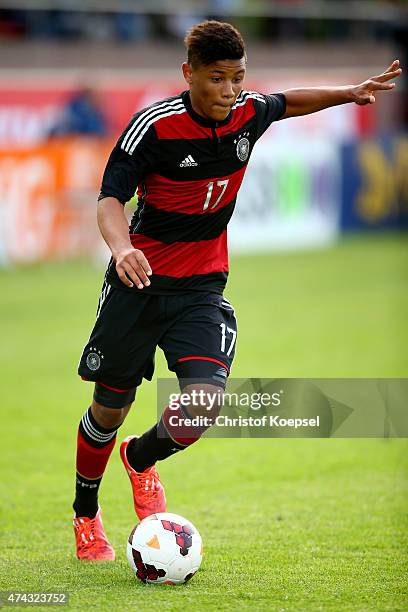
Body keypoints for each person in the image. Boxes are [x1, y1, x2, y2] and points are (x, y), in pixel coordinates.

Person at [72, 20, 401, 560]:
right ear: (189, 75)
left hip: (201, 288)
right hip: (139, 283)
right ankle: (87, 515)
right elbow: (110, 200)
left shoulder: (248, 112)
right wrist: (120, 247)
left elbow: (289, 101)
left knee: (202, 405)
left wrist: (350, 92)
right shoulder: (152, 128)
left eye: (237, 77)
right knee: (110, 406)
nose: (229, 90)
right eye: (217, 78)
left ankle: (141, 458)